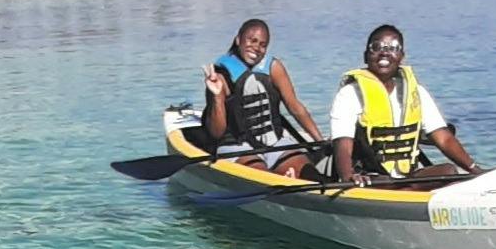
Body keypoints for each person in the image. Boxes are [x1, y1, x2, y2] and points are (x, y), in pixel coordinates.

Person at [329, 24, 481, 184]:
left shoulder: (416, 93)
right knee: (384, 181)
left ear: (401, 56)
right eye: (376, 47)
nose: (385, 53)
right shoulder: (350, 94)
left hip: (407, 177)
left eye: (394, 48)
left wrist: (476, 170)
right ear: (366, 56)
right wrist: (348, 176)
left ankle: (409, 193)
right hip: (371, 178)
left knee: (448, 170)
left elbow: (444, 139)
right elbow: (343, 144)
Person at [201, 18, 323, 176]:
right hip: (237, 147)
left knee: (309, 174)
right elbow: (216, 132)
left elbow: (295, 108)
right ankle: (276, 181)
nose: (257, 48)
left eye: (263, 44)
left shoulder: (274, 68)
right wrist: (216, 96)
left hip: (275, 143)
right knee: (262, 174)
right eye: (252, 41)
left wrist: (320, 142)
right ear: (238, 40)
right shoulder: (220, 75)